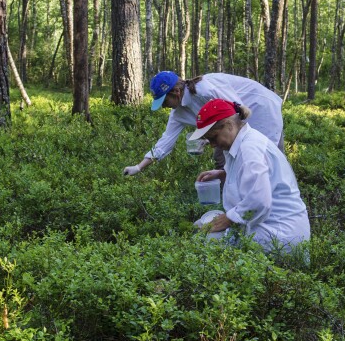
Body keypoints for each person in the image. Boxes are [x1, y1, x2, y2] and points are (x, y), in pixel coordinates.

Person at [190, 99, 310, 253]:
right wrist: (223, 174)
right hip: (267, 225)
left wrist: (229, 219)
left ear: (229, 125)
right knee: (198, 227)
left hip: (278, 234)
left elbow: (259, 202)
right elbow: (252, 177)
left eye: (213, 137)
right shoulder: (240, 142)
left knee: (204, 240)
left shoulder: (250, 150)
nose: (212, 145)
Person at [123, 71, 284, 176]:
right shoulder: (177, 113)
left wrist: (209, 138)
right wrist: (138, 167)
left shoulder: (203, 89)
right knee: (224, 160)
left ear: (176, 92)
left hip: (259, 108)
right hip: (231, 124)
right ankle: (233, 205)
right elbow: (165, 142)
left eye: (164, 101)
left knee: (265, 159)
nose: (163, 106)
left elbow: (238, 111)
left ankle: (272, 206)